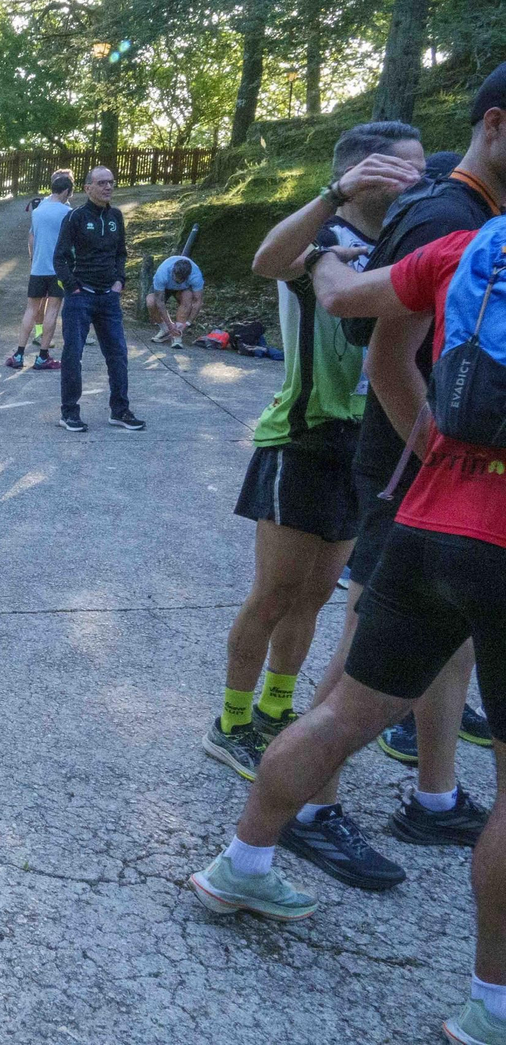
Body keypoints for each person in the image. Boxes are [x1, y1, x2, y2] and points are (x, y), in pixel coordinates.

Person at [189, 165, 506, 1045]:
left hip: (431, 518)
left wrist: (437, 451)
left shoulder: (472, 247)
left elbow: (349, 306)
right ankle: (492, 1005)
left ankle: (241, 863)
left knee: (341, 714)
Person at [203, 127, 433, 892]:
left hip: (363, 443)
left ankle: (278, 709)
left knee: (316, 595)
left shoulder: (406, 239)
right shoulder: (323, 238)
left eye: (420, 166)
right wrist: (333, 194)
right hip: (299, 439)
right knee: (274, 593)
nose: (415, 177)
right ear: (359, 169)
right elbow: (266, 261)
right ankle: (231, 723)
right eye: (399, 165)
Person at [53, 166, 145, 432]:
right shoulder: (75, 217)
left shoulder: (116, 216)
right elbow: (59, 258)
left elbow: (120, 253)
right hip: (80, 297)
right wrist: (72, 286)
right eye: (102, 183)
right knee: (73, 355)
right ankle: (69, 413)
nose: (108, 187)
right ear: (87, 188)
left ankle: (120, 410)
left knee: (118, 354)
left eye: (111, 182)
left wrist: (119, 281)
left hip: (109, 299)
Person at [7, 171, 72, 370]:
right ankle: (43, 356)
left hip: (38, 268)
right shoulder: (68, 213)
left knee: (31, 310)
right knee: (52, 311)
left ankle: (18, 354)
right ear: (66, 191)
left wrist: (33, 259)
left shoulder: (37, 211)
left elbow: (32, 238)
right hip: (58, 269)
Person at [146, 257, 205, 349]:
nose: (178, 281)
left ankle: (177, 332)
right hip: (165, 286)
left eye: (181, 279)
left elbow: (198, 301)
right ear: (173, 272)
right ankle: (165, 329)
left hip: (184, 288)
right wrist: (169, 325)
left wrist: (188, 323)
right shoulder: (162, 274)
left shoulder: (196, 276)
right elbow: (159, 301)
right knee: (151, 302)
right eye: (176, 278)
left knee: (188, 297)